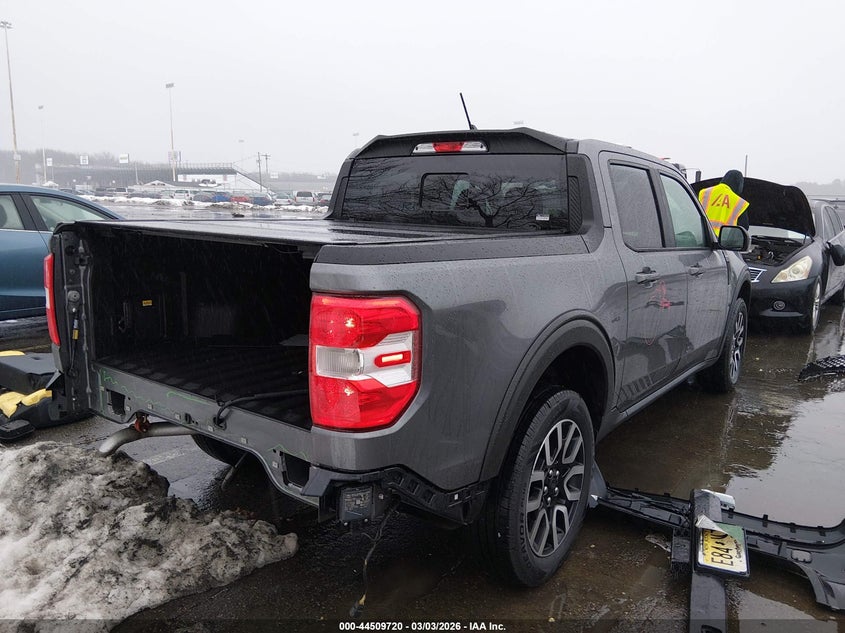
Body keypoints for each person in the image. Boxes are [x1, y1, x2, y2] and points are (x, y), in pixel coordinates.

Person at [698, 169, 750, 235]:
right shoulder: (739, 202)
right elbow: (744, 227)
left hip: (702, 239)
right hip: (724, 243)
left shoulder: (704, 193)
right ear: (739, 184)